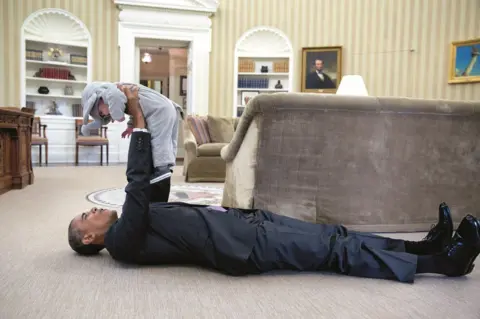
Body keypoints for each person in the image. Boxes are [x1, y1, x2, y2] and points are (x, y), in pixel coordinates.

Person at [67, 88, 480, 283]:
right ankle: (442, 264)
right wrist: (137, 119)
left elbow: (154, 179)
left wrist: (144, 124)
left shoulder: (134, 226)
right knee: (333, 252)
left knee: (334, 234)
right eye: (87, 216)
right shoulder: (121, 244)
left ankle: (422, 247)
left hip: (244, 225)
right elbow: (138, 187)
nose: (95, 211)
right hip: (244, 246)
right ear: (89, 238)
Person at [80, 82, 184, 202]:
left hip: (159, 111)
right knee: (168, 140)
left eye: (101, 113)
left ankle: (162, 168)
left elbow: (119, 100)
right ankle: (167, 165)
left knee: (159, 142)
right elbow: (133, 106)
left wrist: (118, 115)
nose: (105, 115)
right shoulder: (124, 93)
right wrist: (130, 125)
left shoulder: (112, 92)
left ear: (99, 99)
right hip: (165, 107)